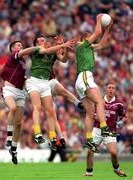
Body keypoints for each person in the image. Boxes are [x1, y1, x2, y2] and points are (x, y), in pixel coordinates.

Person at [25, 36, 75, 150]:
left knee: (51, 111)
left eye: (44, 39)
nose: (44, 41)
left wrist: (66, 48)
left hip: (45, 83)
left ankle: (52, 137)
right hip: (34, 81)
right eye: (41, 40)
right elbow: (46, 51)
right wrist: (63, 45)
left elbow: (64, 60)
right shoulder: (37, 49)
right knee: (37, 107)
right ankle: (37, 133)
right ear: (37, 43)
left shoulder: (53, 52)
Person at [75, 14, 113, 153]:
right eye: (89, 37)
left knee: (90, 113)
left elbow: (102, 44)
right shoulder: (81, 46)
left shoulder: (89, 48)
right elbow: (97, 33)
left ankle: (89, 140)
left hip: (81, 79)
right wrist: (98, 20)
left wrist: (107, 30)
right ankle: (104, 127)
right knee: (100, 102)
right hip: (85, 76)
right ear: (85, 39)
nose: (92, 38)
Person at [1, 41, 42, 164]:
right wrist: (37, 48)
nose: (20, 47)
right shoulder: (13, 56)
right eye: (18, 45)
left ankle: (13, 149)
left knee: (19, 123)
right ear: (13, 48)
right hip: (9, 89)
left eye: (21, 45)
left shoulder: (22, 64)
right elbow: (25, 52)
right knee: (12, 108)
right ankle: (8, 136)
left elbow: (23, 80)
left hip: (20, 93)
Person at [84, 83, 127, 177]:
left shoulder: (119, 104)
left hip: (110, 131)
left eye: (113, 88)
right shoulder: (98, 101)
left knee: (113, 153)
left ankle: (116, 169)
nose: (111, 90)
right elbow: (91, 113)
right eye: (109, 88)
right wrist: (96, 117)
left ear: (115, 90)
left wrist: (121, 122)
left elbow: (124, 116)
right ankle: (89, 173)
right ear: (106, 89)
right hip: (97, 129)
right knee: (89, 152)